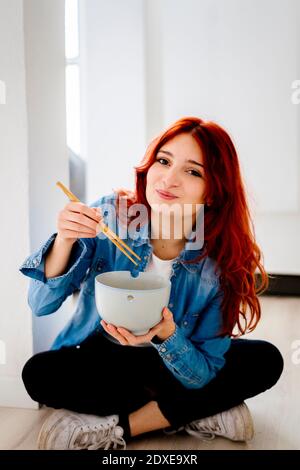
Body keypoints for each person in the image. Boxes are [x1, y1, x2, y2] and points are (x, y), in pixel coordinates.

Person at [20, 117, 283, 450]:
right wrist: (64, 241)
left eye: (193, 171)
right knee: (38, 374)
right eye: (164, 160)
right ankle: (195, 412)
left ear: (214, 192)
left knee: (265, 360)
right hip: (105, 357)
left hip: (173, 361)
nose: (168, 179)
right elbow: (40, 305)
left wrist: (167, 335)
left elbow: (200, 372)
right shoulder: (110, 215)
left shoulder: (219, 265)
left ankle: (122, 427)